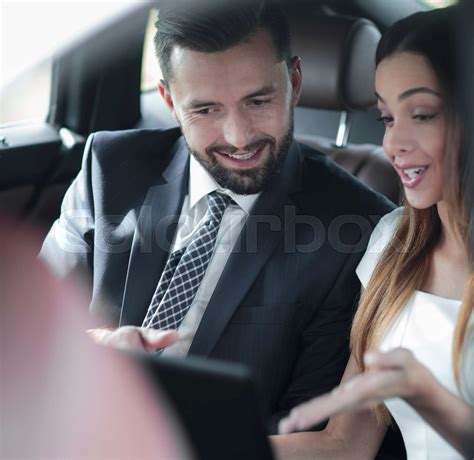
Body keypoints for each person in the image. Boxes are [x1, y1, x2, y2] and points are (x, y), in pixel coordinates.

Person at [39, 0, 393, 432]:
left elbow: (307, 427)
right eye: (206, 109)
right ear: (169, 100)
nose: (238, 137)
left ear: (294, 82)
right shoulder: (108, 167)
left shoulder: (359, 230)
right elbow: (32, 325)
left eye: (258, 100)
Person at [273, 7, 474, 459]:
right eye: (386, 117)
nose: (393, 144)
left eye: (422, 114)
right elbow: (345, 445)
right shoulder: (394, 242)